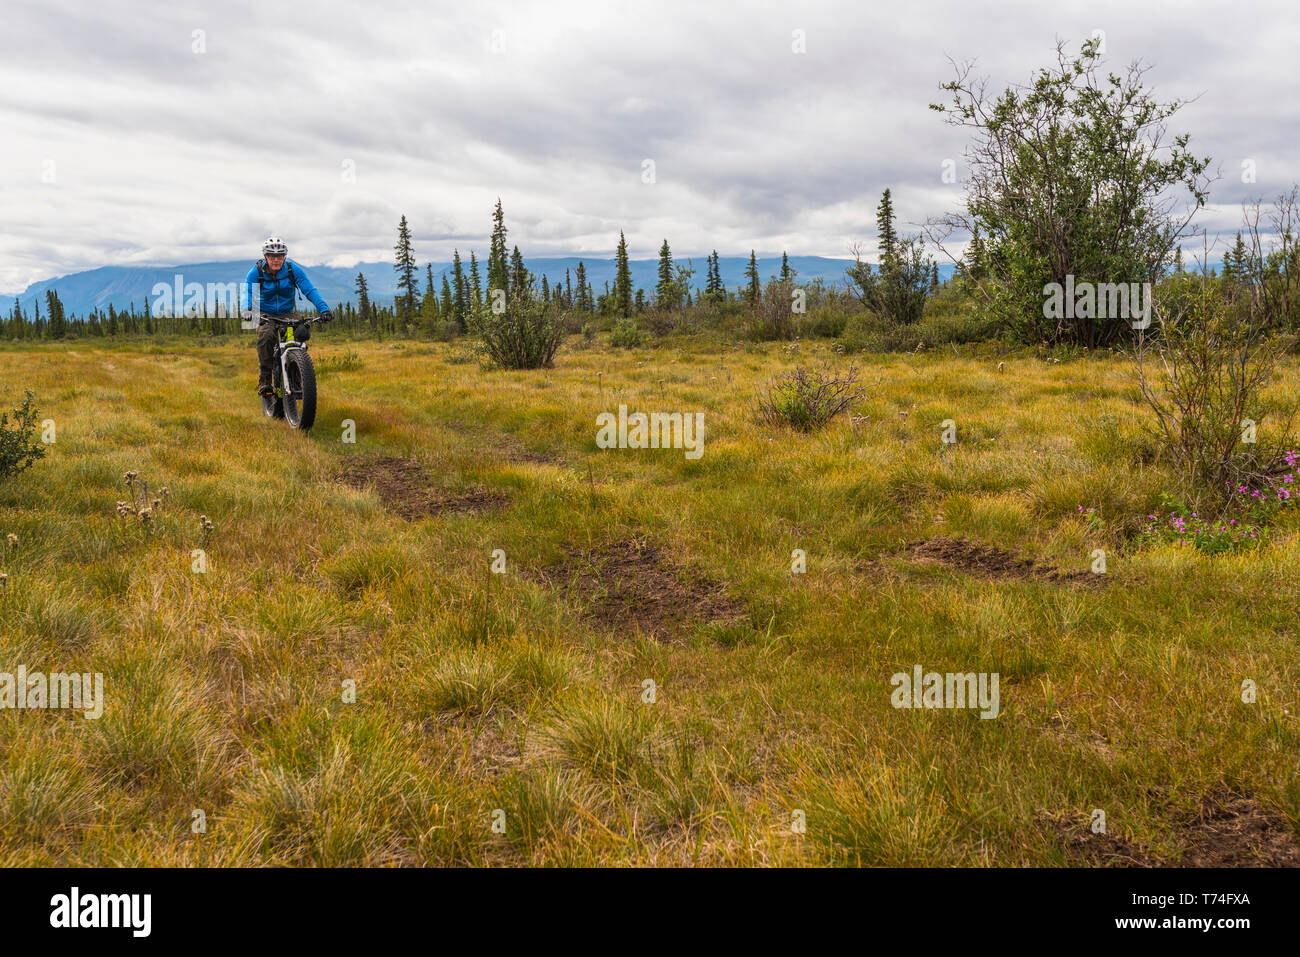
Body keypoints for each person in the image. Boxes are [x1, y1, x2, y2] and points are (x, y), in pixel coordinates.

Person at [241, 238, 333, 397]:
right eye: (271, 256)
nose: (276, 259)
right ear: (265, 257)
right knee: (266, 336)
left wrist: (323, 309)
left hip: (287, 312)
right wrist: (247, 310)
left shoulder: (292, 270)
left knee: (298, 337)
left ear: (284, 256)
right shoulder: (256, 272)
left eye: (280, 256)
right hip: (265, 313)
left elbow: (309, 290)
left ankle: (296, 373)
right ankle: (265, 379)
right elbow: (247, 292)